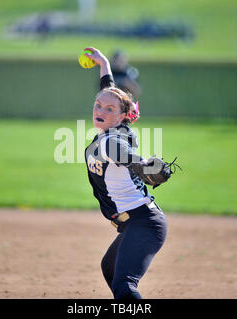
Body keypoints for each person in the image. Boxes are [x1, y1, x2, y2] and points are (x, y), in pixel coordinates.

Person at [83, 47, 167, 299]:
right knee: (109, 269)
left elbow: (124, 154)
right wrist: (104, 65)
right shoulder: (112, 128)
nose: (101, 110)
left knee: (124, 286)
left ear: (122, 116)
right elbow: (110, 92)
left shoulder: (112, 140)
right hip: (132, 225)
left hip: (145, 223)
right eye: (98, 105)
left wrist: (143, 165)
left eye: (109, 109)